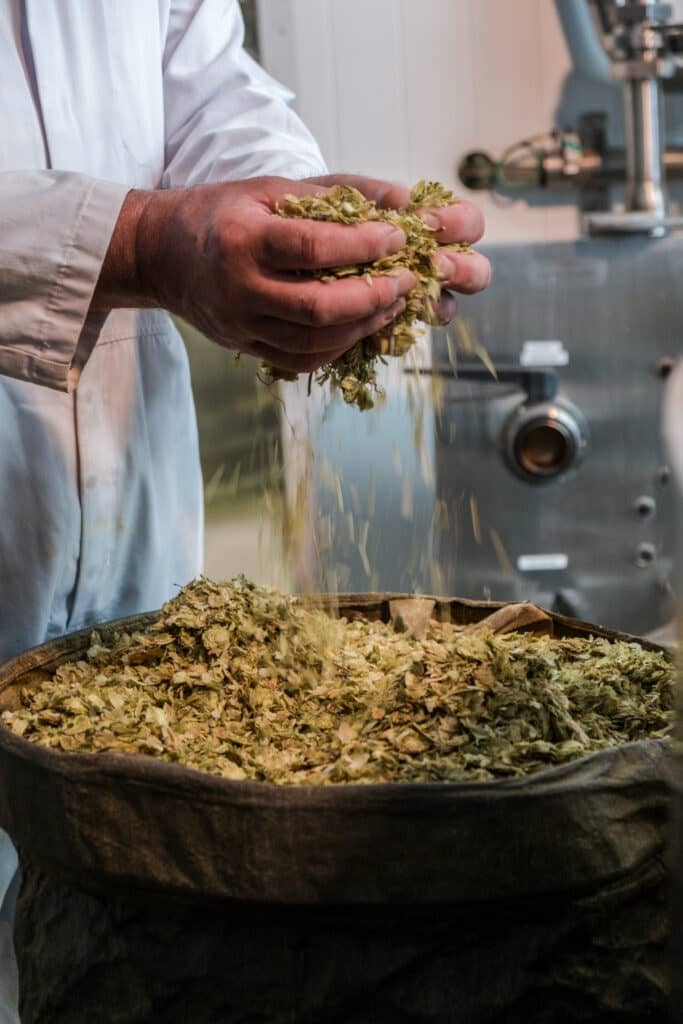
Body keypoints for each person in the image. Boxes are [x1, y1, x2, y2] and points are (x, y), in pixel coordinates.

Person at [0, 1, 491, 1017]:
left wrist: (293, 203)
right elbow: (138, 228)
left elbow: (198, 68)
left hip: (121, 577)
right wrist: (138, 241)